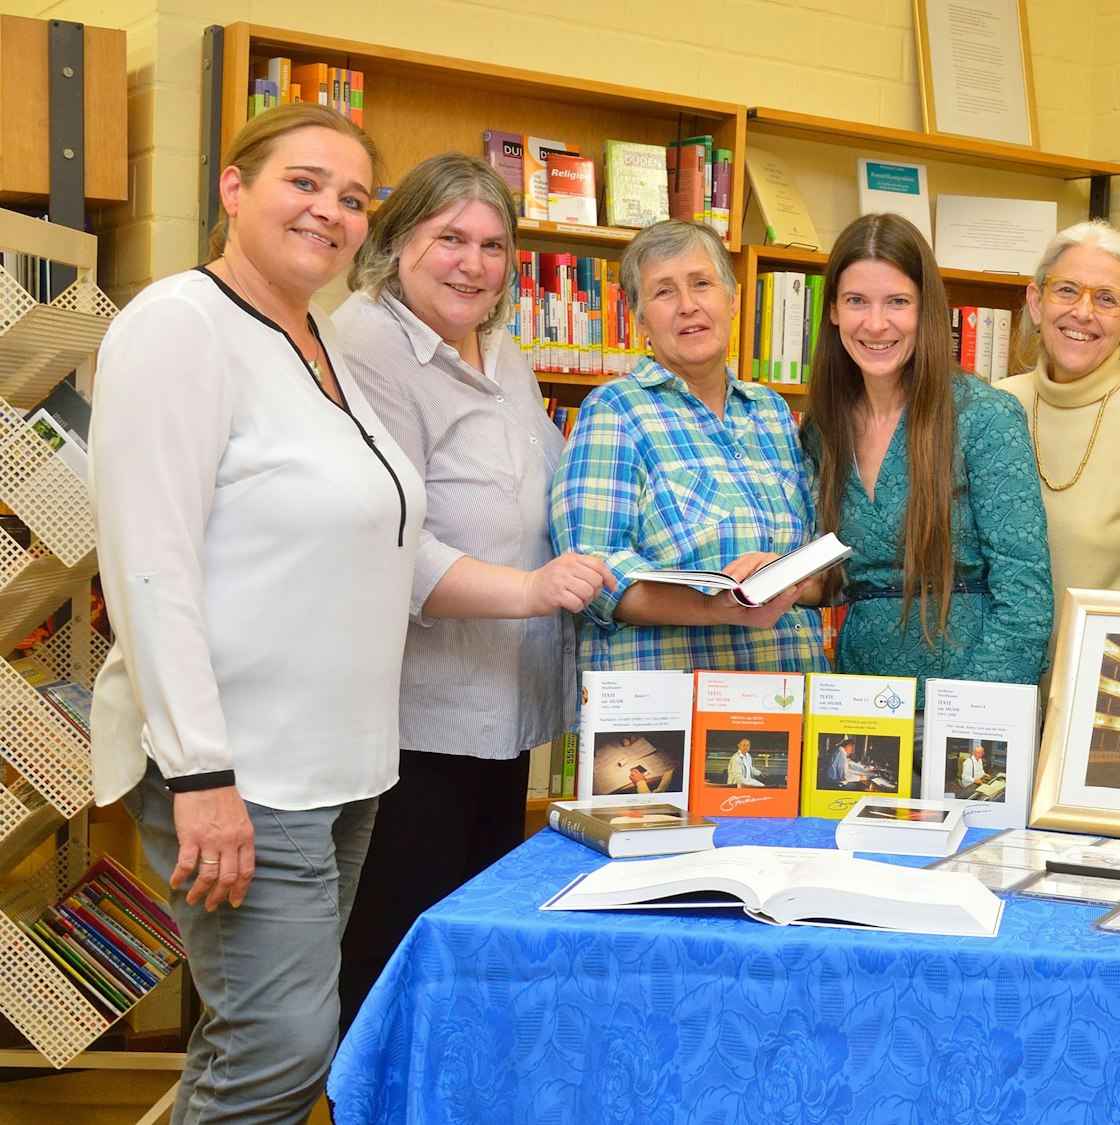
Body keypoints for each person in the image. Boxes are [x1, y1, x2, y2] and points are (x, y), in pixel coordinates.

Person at [90, 103, 423, 1123]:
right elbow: (149, 565)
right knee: (278, 1054)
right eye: (304, 182)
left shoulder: (312, 342)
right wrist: (201, 773)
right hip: (241, 771)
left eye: (353, 197)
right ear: (233, 189)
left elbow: (366, 532)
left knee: (255, 1043)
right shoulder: (177, 325)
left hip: (337, 771)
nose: (330, 210)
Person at [331, 152, 615, 1033]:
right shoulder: (367, 337)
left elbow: (549, 488)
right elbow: (389, 536)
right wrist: (534, 588)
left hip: (506, 711)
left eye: (493, 245)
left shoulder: (502, 348)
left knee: (466, 948)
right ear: (397, 240)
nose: (473, 263)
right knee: (396, 951)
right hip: (419, 715)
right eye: (449, 238)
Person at [552, 219, 825, 673]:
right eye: (663, 292)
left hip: (788, 697)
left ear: (733, 299)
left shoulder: (773, 412)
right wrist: (713, 607)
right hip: (667, 711)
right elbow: (592, 573)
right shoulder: (615, 410)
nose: (687, 306)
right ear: (639, 319)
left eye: (702, 284)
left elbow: (824, 562)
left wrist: (785, 576)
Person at [803, 214, 1052, 693]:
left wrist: (971, 716)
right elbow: (835, 577)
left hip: (968, 694)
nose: (876, 324)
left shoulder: (985, 416)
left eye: (898, 302)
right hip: (860, 702)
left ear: (926, 311)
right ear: (833, 310)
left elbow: (1025, 593)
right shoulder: (822, 427)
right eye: (857, 301)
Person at [995, 221, 1120, 604]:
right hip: (1000, 662)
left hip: (1114, 661)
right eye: (1067, 290)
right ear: (1037, 303)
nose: (1083, 312)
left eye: (1106, 299)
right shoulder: (994, 407)